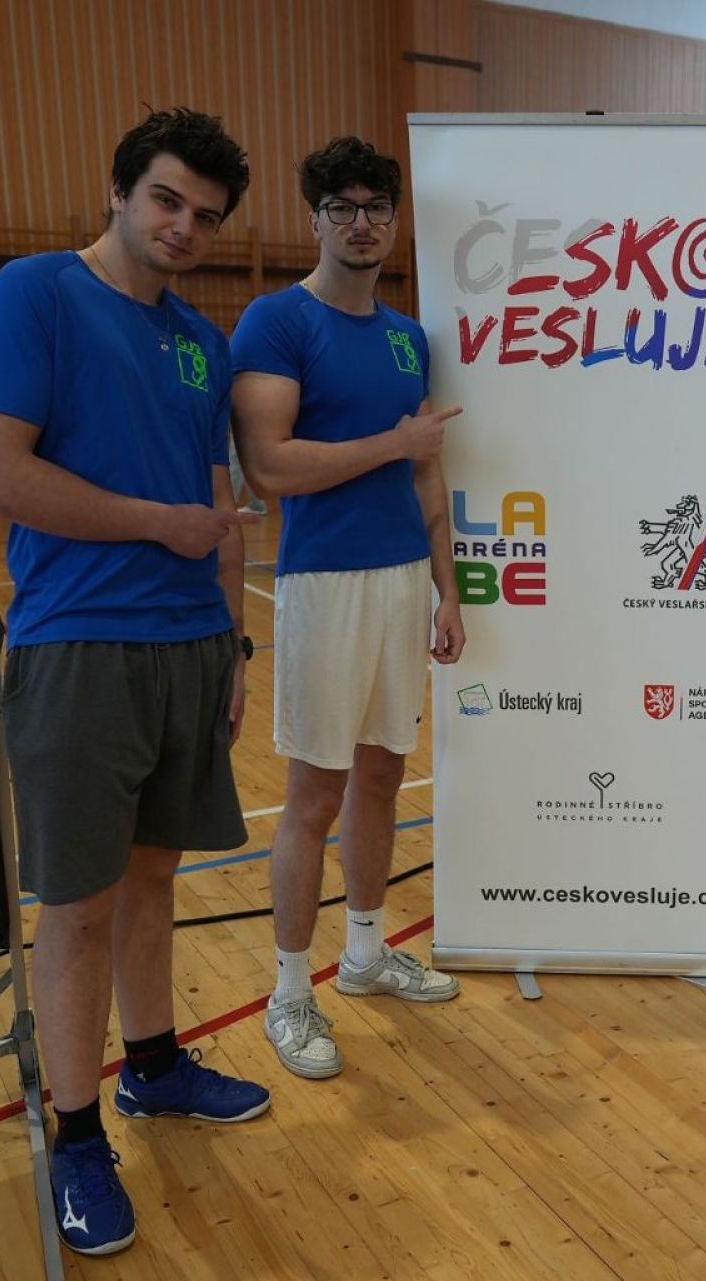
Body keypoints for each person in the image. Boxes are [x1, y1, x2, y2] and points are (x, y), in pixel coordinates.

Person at [0, 109, 270, 1257]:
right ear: (120, 191)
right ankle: (76, 1134)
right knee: (79, 907)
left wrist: (232, 643)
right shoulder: (33, 294)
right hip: (79, 648)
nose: (185, 227)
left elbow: (217, 505)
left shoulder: (199, 340)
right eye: (167, 201)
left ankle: (151, 1067)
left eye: (206, 215)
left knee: (152, 880)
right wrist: (154, 524)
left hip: (191, 650)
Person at [232, 137, 465, 1081]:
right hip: (324, 584)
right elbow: (271, 465)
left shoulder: (409, 337)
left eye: (376, 207)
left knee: (381, 776)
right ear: (314, 218)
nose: (360, 222)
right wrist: (391, 443)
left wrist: (449, 588)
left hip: (404, 580)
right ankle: (291, 992)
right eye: (343, 206)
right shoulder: (276, 321)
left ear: (394, 221)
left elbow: (428, 472)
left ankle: (366, 953)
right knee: (314, 795)